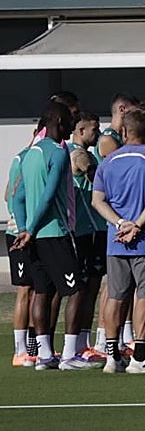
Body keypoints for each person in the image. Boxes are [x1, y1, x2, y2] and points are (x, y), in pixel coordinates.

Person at [91, 107, 145, 373]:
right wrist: (136, 224)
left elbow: (97, 201)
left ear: (124, 131)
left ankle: (112, 357)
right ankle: (138, 357)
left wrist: (119, 223)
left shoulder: (108, 161)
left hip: (116, 241)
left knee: (116, 296)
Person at [9, 102, 79, 371]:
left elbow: (16, 197)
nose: (72, 126)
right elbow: (49, 196)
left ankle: (45, 356)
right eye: (70, 122)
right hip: (54, 232)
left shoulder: (29, 154)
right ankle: (70, 354)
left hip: (34, 236)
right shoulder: (58, 153)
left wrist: (24, 228)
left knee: (41, 291)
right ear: (59, 122)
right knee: (77, 291)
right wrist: (32, 228)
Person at [66, 112, 108, 365]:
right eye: (94, 129)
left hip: (94, 229)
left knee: (92, 288)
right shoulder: (77, 153)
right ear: (80, 130)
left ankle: (83, 344)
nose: (98, 133)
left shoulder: (89, 154)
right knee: (79, 290)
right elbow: (101, 180)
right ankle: (70, 347)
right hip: (81, 231)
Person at [6, 138, 36, 367]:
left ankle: (33, 346)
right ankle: (19, 350)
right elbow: (11, 195)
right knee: (24, 289)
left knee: (38, 289)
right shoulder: (25, 158)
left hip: (33, 233)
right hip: (19, 232)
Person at [97, 93, 138, 158]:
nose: (137, 117)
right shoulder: (107, 139)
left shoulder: (121, 137)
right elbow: (120, 166)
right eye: (134, 112)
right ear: (122, 110)